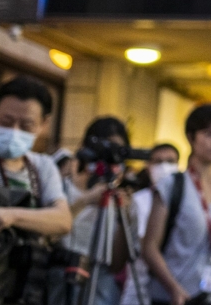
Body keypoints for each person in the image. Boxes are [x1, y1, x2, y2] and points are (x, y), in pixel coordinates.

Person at [142, 105, 211, 305]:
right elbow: (149, 247)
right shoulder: (172, 185)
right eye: (209, 134)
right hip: (178, 296)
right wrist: (174, 289)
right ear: (191, 138)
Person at [0, 76, 72, 301]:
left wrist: (10, 216)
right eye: (6, 122)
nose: (14, 131)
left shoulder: (42, 167)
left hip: (23, 288)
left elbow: (62, 220)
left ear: (44, 124)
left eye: (26, 126)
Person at [63, 116, 135, 305]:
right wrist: (87, 199)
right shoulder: (64, 188)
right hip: (64, 271)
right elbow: (53, 231)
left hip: (101, 279)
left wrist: (126, 216)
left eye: (116, 150)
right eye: (105, 148)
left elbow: (117, 264)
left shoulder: (120, 198)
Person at [120, 143, 180, 305]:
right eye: (158, 162)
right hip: (141, 290)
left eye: (170, 161)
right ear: (148, 166)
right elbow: (146, 245)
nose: (164, 167)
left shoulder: (184, 200)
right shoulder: (139, 201)